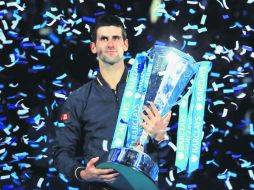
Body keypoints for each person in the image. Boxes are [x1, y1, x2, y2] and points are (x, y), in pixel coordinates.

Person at [53, 14, 171, 190]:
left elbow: (170, 156)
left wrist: (161, 138)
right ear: (93, 47)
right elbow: (61, 152)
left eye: (116, 38)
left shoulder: (152, 93)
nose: (110, 44)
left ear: (125, 44)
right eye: (104, 39)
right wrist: (82, 173)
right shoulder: (78, 99)